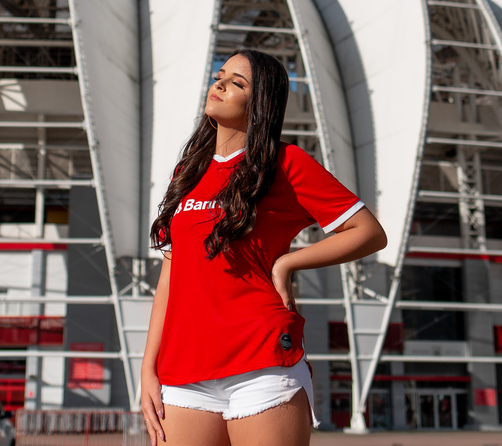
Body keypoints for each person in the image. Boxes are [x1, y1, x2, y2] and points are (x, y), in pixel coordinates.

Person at [139, 48, 387, 446]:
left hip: (263, 363)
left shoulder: (285, 163)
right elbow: (170, 278)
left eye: (237, 83)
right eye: (220, 75)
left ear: (260, 104)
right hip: (184, 371)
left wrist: (287, 263)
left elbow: (368, 231)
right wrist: (148, 369)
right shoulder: (188, 173)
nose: (219, 84)